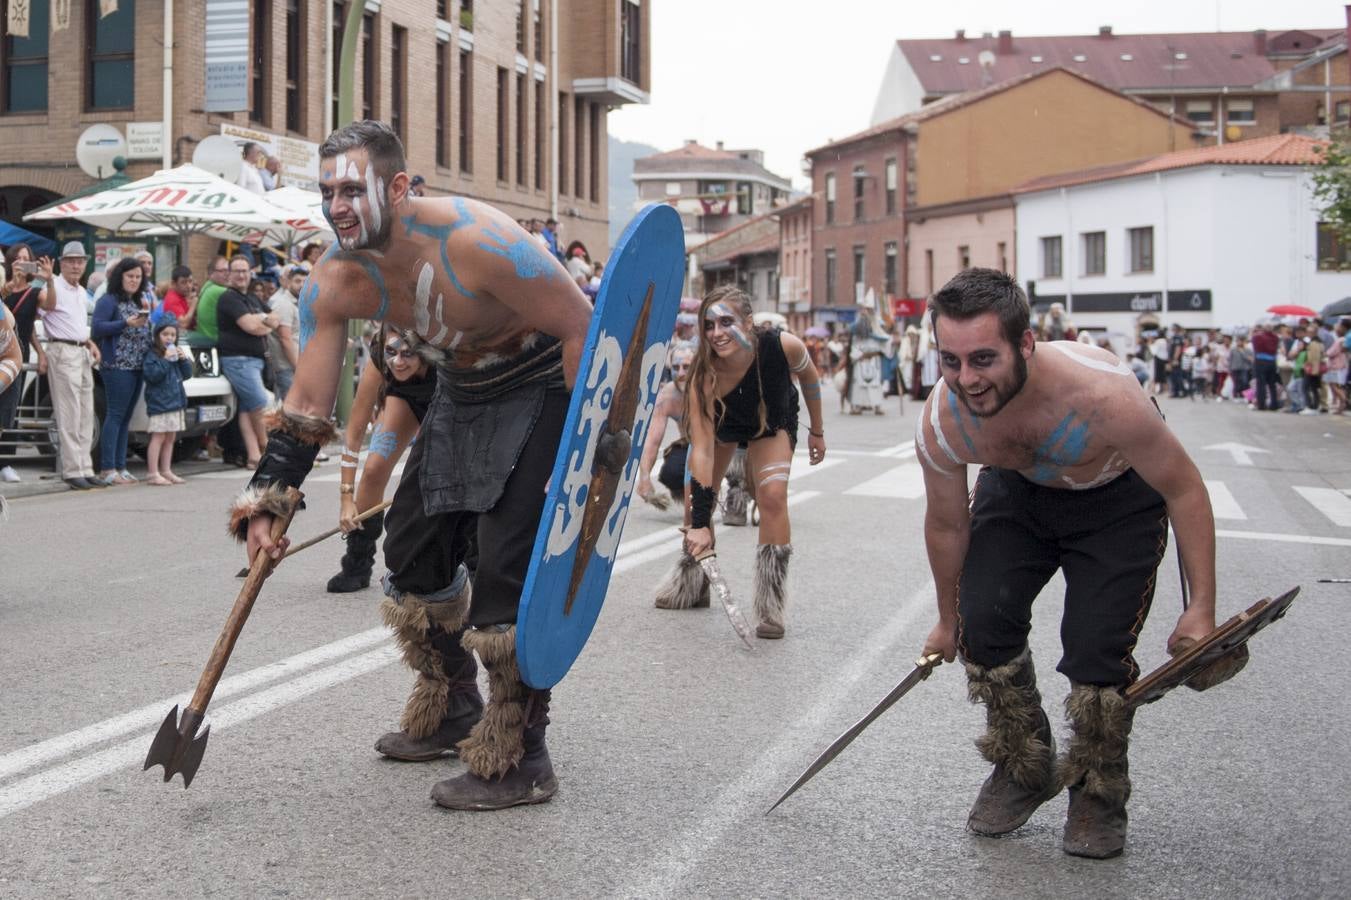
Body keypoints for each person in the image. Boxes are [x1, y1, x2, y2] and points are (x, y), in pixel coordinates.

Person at [233, 119, 592, 811]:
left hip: (543, 384)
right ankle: (453, 705)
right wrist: (266, 505)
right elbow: (307, 402)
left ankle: (520, 752)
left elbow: (581, 325)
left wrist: (580, 458)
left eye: (352, 188)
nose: (336, 205)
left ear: (397, 188)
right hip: (459, 390)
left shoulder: (475, 240)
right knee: (412, 554)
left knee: (504, 561)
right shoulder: (335, 277)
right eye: (325, 189)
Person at [916, 268, 1217, 860]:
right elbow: (948, 524)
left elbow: (1185, 489)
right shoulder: (945, 421)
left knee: (1095, 648)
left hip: (1118, 502)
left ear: (1025, 343)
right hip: (1021, 496)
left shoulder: (1104, 397)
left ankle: (1098, 789)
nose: (966, 380)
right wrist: (947, 621)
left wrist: (1201, 607)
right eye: (950, 361)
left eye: (983, 359)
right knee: (985, 623)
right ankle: (1023, 764)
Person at [653, 286, 827, 639]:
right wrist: (700, 522)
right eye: (708, 325)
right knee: (693, 491)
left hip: (772, 421)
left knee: (773, 495)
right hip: (724, 424)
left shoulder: (784, 346)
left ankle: (770, 603)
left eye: (726, 322)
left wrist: (817, 431)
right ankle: (693, 580)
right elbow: (700, 451)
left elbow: (810, 379)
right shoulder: (703, 377)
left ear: (748, 322)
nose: (716, 333)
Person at [327, 326, 439, 595]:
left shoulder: (445, 350)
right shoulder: (381, 358)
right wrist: (346, 499)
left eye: (407, 354)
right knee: (374, 468)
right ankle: (357, 562)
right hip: (406, 396)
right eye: (392, 352)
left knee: (435, 474)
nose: (397, 361)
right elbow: (353, 433)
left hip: (450, 394)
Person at [38, 243, 105, 490]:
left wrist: (89, 343)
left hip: (80, 350)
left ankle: (85, 467)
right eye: (71, 261)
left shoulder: (79, 291)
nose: (76, 265)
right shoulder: (52, 284)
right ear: (61, 263)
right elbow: (46, 307)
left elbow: (73, 323)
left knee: (87, 413)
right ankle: (72, 469)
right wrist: (51, 281)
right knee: (69, 412)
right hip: (63, 350)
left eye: (80, 261)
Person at [91, 257, 153, 485]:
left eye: (138, 277)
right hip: (117, 365)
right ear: (120, 277)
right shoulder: (109, 300)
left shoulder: (139, 300)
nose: (134, 280)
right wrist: (125, 323)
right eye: (130, 276)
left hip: (137, 366)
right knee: (115, 415)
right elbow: (97, 327)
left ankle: (121, 466)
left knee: (125, 418)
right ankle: (108, 468)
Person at [217, 255, 280, 466]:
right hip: (239, 361)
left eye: (245, 271)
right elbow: (251, 327)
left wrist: (262, 320)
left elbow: (276, 319)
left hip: (255, 361)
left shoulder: (252, 298)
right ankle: (264, 447)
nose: (242, 275)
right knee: (260, 403)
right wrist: (263, 321)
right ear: (229, 274)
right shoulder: (229, 298)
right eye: (237, 271)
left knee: (247, 408)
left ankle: (253, 456)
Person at [0, 244, 52, 482]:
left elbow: (48, 307)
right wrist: (10, 283)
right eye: (18, 259)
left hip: (17, 355)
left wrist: (49, 280)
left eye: (26, 259)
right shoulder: (4, 287)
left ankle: (6, 462)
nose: (21, 262)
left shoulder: (34, 290)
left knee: (10, 412)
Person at [636, 342, 695, 508]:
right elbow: (652, 442)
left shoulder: (714, 387)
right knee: (672, 473)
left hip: (723, 444)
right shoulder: (667, 396)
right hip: (691, 444)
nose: (681, 373)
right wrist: (645, 477)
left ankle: (736, 487)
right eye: (676, 367)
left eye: (687, 367)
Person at [141, 316, 192, 485]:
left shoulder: (175, 353)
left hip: (175, 402)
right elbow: (152, 376)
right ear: (157, 336)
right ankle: (152, 472)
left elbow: (187, 375)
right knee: (158, 437)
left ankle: (166, 470)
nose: (169, 338)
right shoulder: (152, 355)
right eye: (165, 334)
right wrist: (165, 360)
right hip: (160, 404)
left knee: (171, 438)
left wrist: (183, 360)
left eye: (172, 334)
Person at [266, 266, 305, 400]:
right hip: (287, 367)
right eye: (298, 281)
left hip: (294, 366)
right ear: (288, 282)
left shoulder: (299, 303)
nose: (302, 285)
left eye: (305, 282)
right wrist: (299, 369)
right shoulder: (284, 304)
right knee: (288, 413)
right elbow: (285, 339)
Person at [1250, 321, 1280, 410]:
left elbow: (1255, 346)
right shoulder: (1276, 338)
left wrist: (1254, 331)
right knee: (1272, 384)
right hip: (1272, 361)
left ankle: (1261, 405)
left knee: (1261, 384)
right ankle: (1274, 404)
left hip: (1261, 361)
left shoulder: (1258, 337)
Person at [1326, 319, 1349, 414]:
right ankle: (1341, 405)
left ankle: (1344, 401)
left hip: (1337, 366)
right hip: (1343, 365)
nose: (1336, 328)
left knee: (1335, 385)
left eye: (1338, 326)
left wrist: (1325, 353)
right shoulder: (1344, 339)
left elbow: (1331, 352)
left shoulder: (1340, 340)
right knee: (1339, 385)